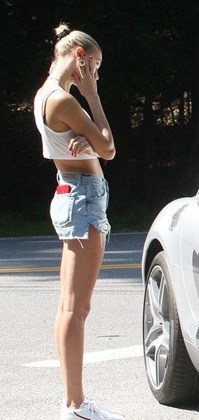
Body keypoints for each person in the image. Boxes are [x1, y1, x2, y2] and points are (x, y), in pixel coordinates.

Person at [34, 24, 125, 419]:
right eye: (96, 67)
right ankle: (75, 405)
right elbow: (109, 148)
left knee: (69, 306)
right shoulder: (64, 99)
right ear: (80, 59)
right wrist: (92, 95)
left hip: (74, 191)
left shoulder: (45, 94)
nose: (96, 75)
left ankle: (73, 402)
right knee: (76, 308)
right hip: (83, 197)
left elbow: (93, 143)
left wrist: (89, 140)